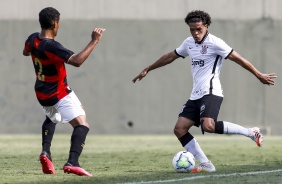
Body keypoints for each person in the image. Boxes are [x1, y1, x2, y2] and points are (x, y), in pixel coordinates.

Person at [132, 10, 277, 173]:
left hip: (211, 91)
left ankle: (251, 132)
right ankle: (205, 163)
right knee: (179, 129)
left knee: (208, 125)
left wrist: (258, 74)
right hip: (196, 94)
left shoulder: (216, 43)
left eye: (198, 29)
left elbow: (239, 59)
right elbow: (170, 56)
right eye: (192, 29)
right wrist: (148, 69)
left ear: (206, 26)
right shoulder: (188, 43)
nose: (195, 33)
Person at [23, 7, 105, 176]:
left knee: (52, 117)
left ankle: (46, 152)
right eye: (58, 23)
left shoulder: (32, 39)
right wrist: (94, 40)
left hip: (41, 93)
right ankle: (72, 162)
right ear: (55, 23)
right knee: (82, 124)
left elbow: (25, 52)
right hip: (59, 92)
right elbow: (77, 61)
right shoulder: (51, 46)